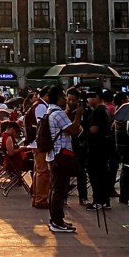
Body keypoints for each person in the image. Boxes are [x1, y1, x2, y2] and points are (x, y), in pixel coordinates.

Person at [46, 86, 83, 234]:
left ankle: (57, 219)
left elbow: (63, 126)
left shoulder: (51, 111)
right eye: (63, 97)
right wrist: (78, 115)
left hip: (54, 154)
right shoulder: (58, 113)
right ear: (58, 98)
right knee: (59, 189)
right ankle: (57, 221)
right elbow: (73, 130)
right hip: (60, 155)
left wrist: (69, 111)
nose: (66, 100)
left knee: (57, 189)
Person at [84, 91, 114, 211]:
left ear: (97, 97)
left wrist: (84, 125)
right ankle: (104, 200)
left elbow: (93, 130)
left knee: (96, 174)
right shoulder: (104, 109)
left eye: (91, 97)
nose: (88, 99)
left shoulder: (98, 111)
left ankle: (98, 200)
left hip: (97, 147)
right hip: (103, 146)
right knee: (102, 173)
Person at [26, 88, 51, 209]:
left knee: (39, 171)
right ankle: (41, 198)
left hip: (36, 143)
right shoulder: (41, 106)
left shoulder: (38, 104)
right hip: (39, 144)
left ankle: (37, 196)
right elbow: (42, 126)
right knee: (43, 172)